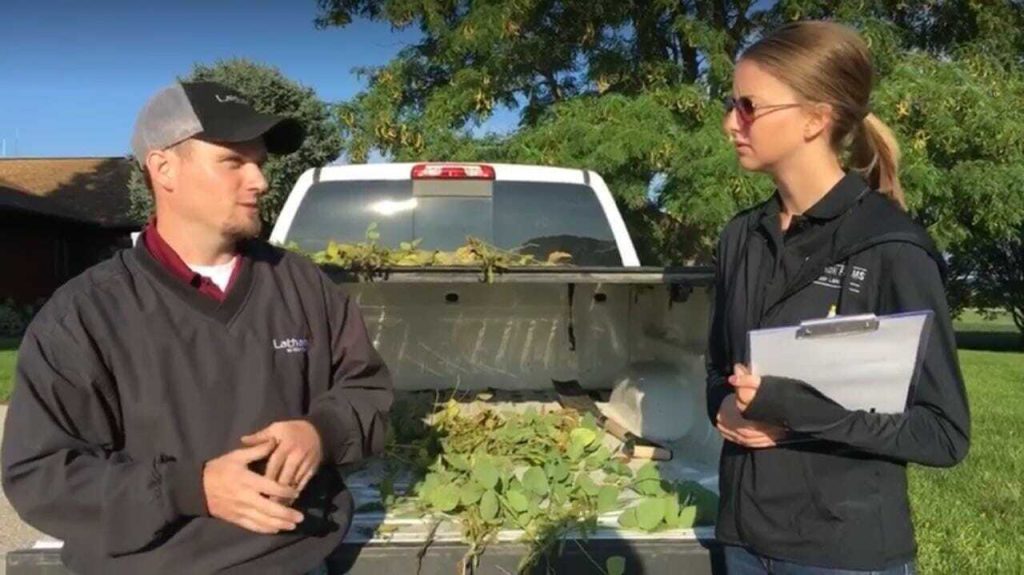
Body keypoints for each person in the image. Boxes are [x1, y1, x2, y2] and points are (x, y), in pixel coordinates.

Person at [1, 81, 394, 575]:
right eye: (233, 162)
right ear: (164, 168)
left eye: (260, 163)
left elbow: (367, 390)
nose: (260, 181)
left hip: (293, 560)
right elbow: (40, 476)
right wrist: (192, 488)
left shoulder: (302, 285)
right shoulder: (85, 316)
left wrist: (321, 431)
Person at [706, 21, 970, 574]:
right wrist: (724, 406)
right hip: (742, 542)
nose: (732, 122)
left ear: (815, 118)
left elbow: (942, 434)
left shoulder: (891, 246)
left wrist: (796, 409)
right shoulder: (740, 237)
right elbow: (716, 371)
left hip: (842, 555)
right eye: (732, 104)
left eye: (750, 106)